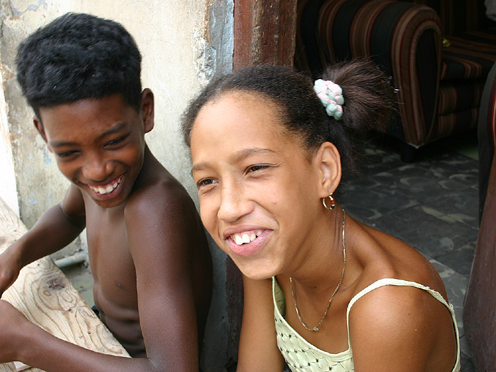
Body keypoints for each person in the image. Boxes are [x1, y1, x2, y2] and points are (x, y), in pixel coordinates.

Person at [0, 12, 212, 372]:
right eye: (69, 152)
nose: (97, 170)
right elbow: (68, 216)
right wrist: (13, 256)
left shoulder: (155, 211)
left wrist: (24, 342)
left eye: (114, 141)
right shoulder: (99, 184)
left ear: (145, 112)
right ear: (43, 134)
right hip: (96, 338)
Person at [182, 60, 460, 372]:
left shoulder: (388, 308)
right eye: (207, 181)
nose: (230, 209)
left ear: (324, 171)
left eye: (256, 168)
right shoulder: (268, 252)